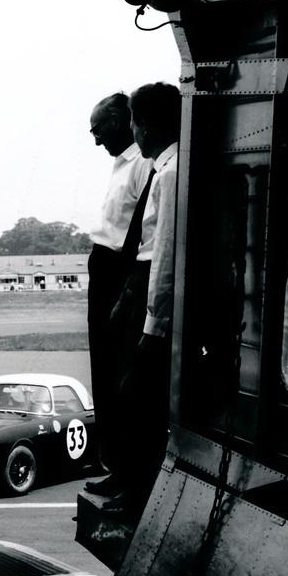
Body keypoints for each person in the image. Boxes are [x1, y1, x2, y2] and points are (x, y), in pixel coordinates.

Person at [103, 82, 182, 517]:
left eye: (134, 121)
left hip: (153, 296)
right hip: (141, 285)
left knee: (140, 399)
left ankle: (137, 495)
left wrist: (153, 324)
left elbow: (164, 253)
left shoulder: (169, 174)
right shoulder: (164, 168)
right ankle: (130, 484)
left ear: (146, 125)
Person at [83, 92, 153, 497]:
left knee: (118, 372)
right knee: (104, 372)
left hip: (120, 272)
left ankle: (127, 471)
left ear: (124, 121)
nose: (96, 141)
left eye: (99, 130)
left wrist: (126, 290)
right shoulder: (121, 164)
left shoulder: (142, 165)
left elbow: (142, 233)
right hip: (105, 266)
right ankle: (117, 465)